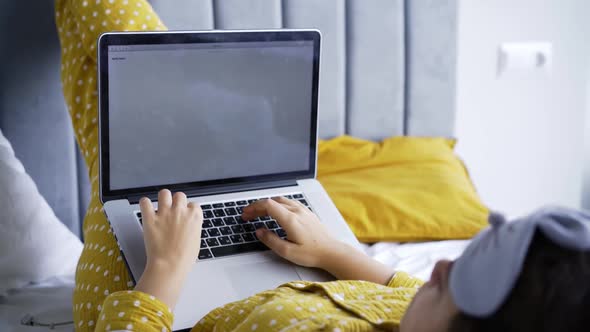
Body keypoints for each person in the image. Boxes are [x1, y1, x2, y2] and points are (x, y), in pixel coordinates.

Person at [55, 1, 590, 331]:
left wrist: (165, 271)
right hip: (260, 261)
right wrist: (333, 249)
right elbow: (403, 290)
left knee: (131, 131)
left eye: (453, 287)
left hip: (142, 300)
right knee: (128, 80)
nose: (444, 268)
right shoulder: (417, 318)